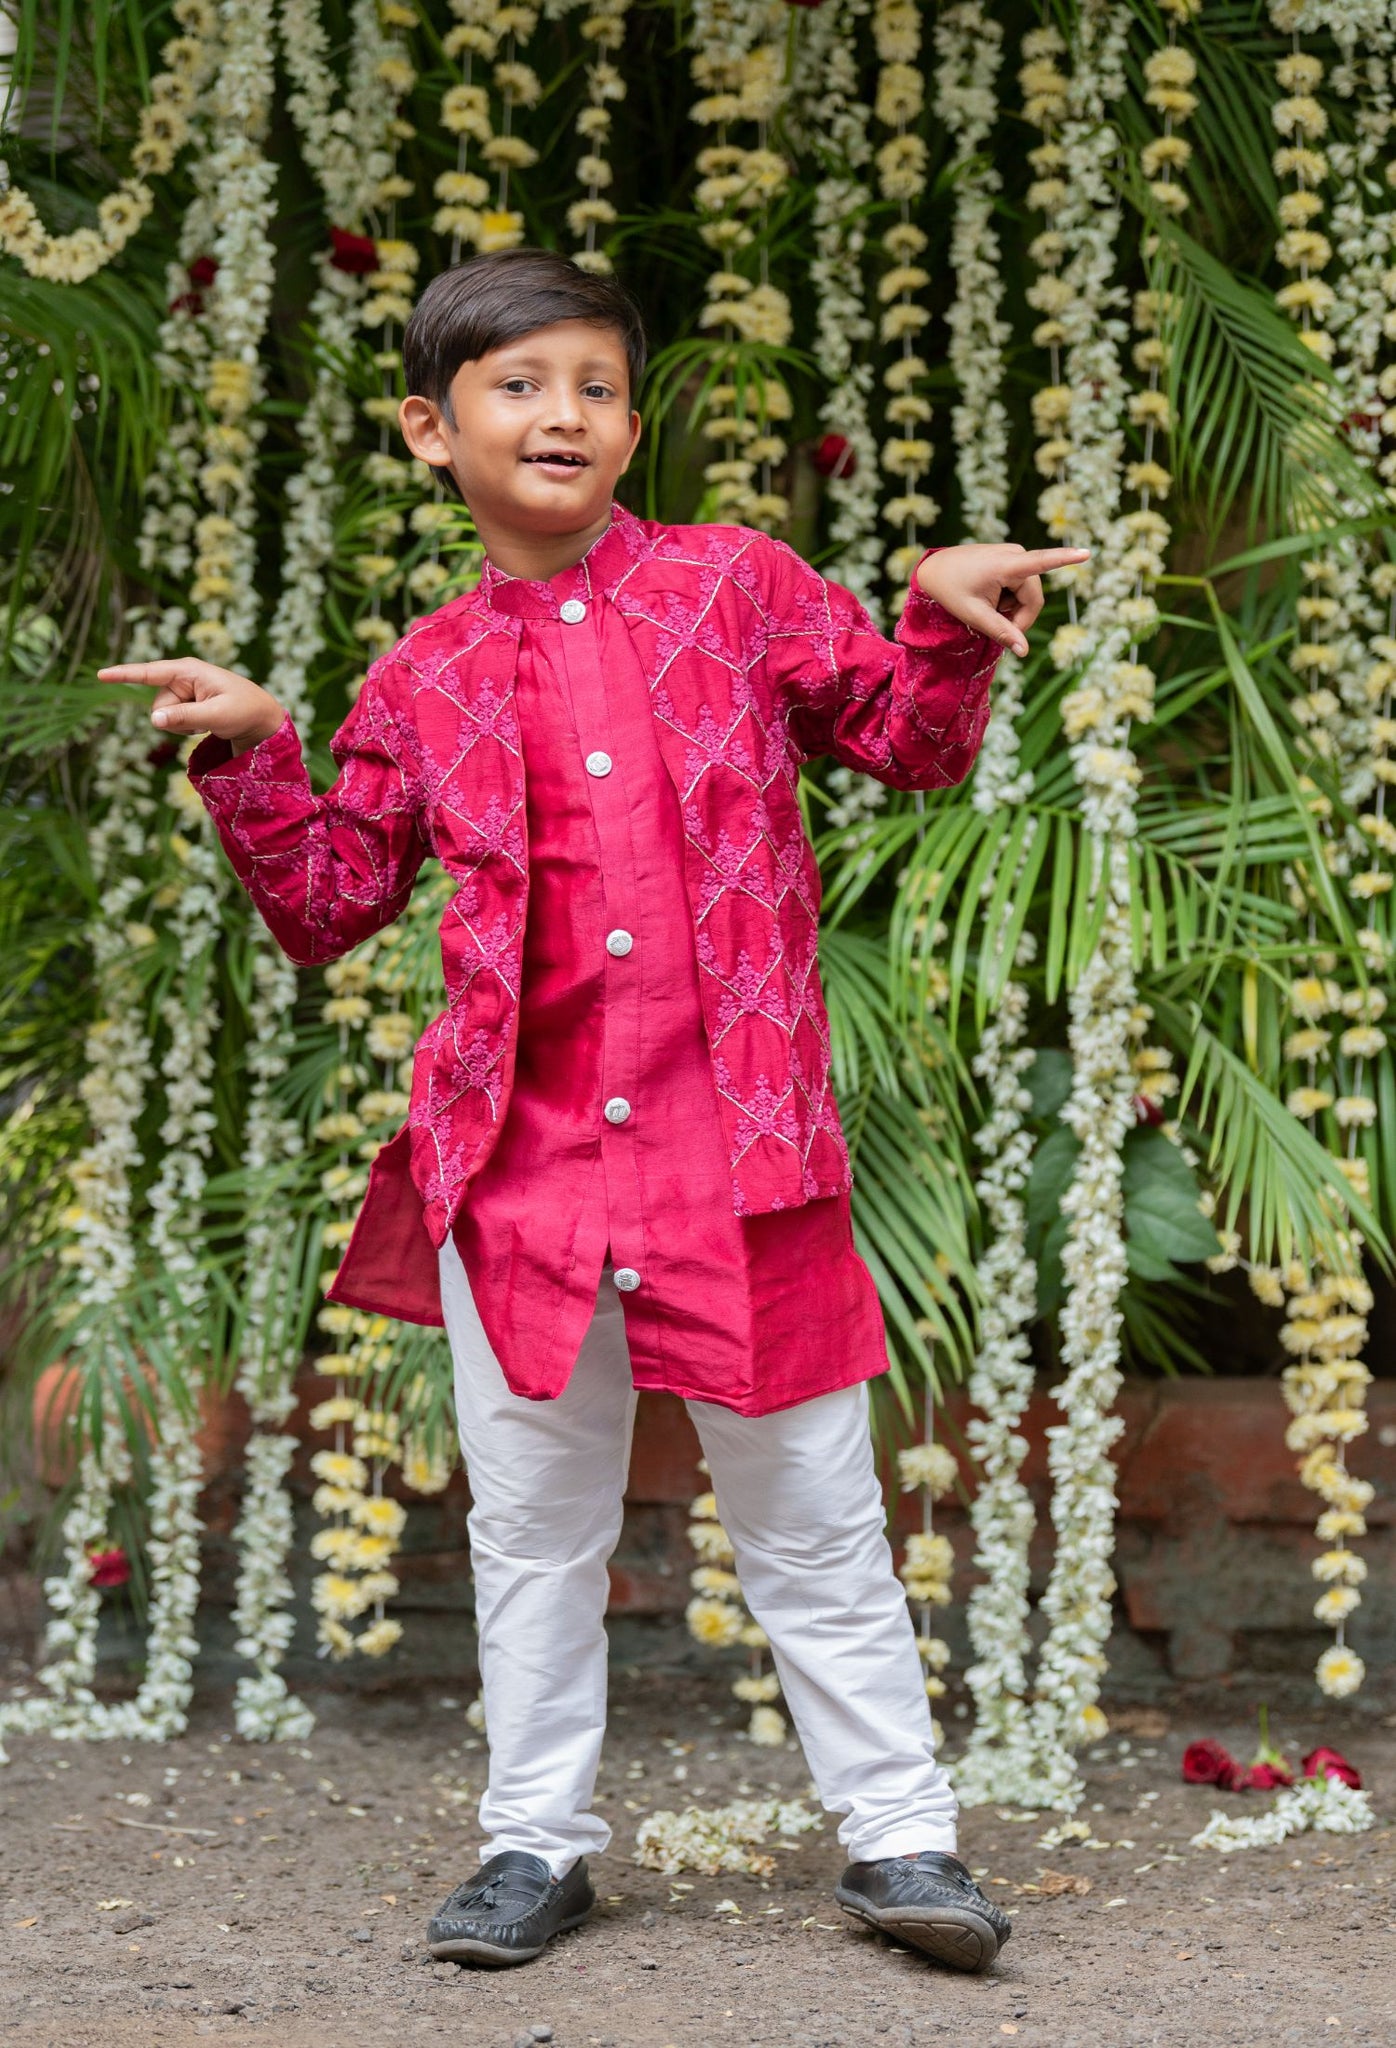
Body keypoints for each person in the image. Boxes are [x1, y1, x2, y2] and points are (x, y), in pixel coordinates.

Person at [99, 247, 1088, 1975]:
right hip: (522, 1169)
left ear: (632, 423)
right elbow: (334, 902)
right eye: (518, 383)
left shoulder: (736, 586)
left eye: (597, 386)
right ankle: (533, 1845)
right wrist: (251, 747)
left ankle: (905, 1841)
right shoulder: (418, 677)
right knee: (533, 1525)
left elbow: (904, 743)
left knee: (814, 1515)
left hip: (743, 1156)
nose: (564, 412)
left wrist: (940, 615)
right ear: (431, 427)